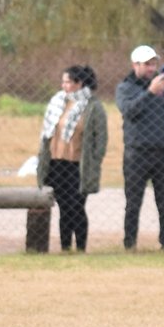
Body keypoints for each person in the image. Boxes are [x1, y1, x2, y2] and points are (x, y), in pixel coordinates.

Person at [116, 45, 164, 251]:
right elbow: (129, 111)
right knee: (133, 203)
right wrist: (150, 93)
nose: (151, 69)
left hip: (162, 153)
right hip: (137, 153)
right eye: (147, 64)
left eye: (153, 64)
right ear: (135, 65)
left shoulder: (163, 85)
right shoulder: (126, 88)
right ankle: (130, 243)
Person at [38, 65, 106, 253]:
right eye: (63, 81)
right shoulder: (58, 102)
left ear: (79, 83)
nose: (63, 85)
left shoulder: (93, 106)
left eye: (67, 81)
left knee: (77, 207)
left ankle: (81, 247)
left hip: (78, 166)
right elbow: (47, 134)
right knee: (64, 208)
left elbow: (100, 141)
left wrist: (94, 163)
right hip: (56, 164)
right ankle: (65, 247)